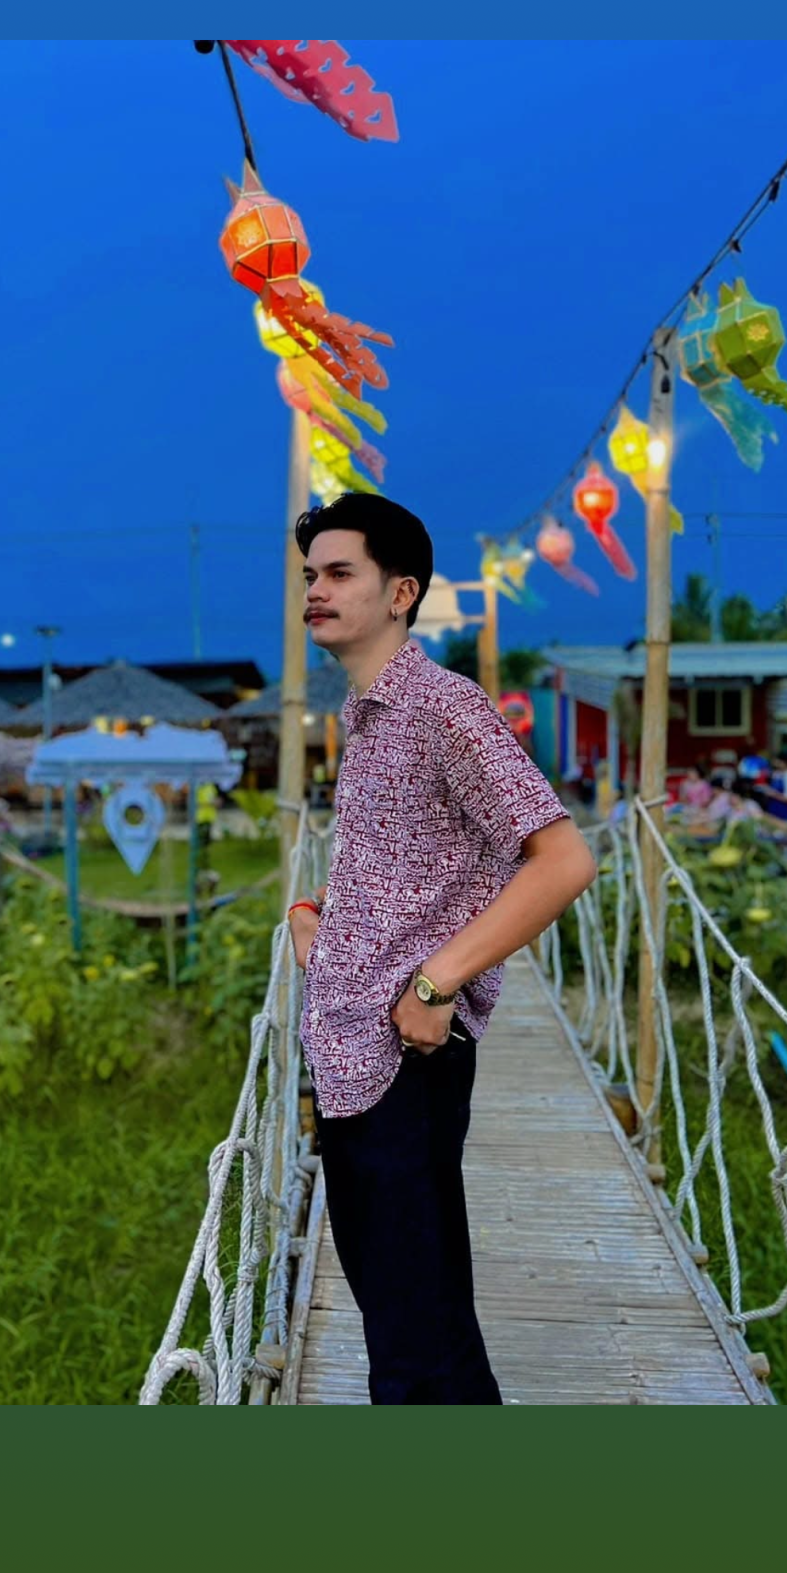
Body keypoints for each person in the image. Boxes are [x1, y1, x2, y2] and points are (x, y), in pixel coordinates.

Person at [288, 492, 596, 1406]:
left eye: (339, 572)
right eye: (309, 575)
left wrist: (435, 982)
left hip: (402, 1058)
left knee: (413, 1345)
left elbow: (563, 860)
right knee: (417, 1322)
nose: (315, 590)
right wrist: (318, 913)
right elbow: (405, 863)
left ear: (401, 592)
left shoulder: (442, 707)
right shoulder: (370, 715)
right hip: (349, 1054)